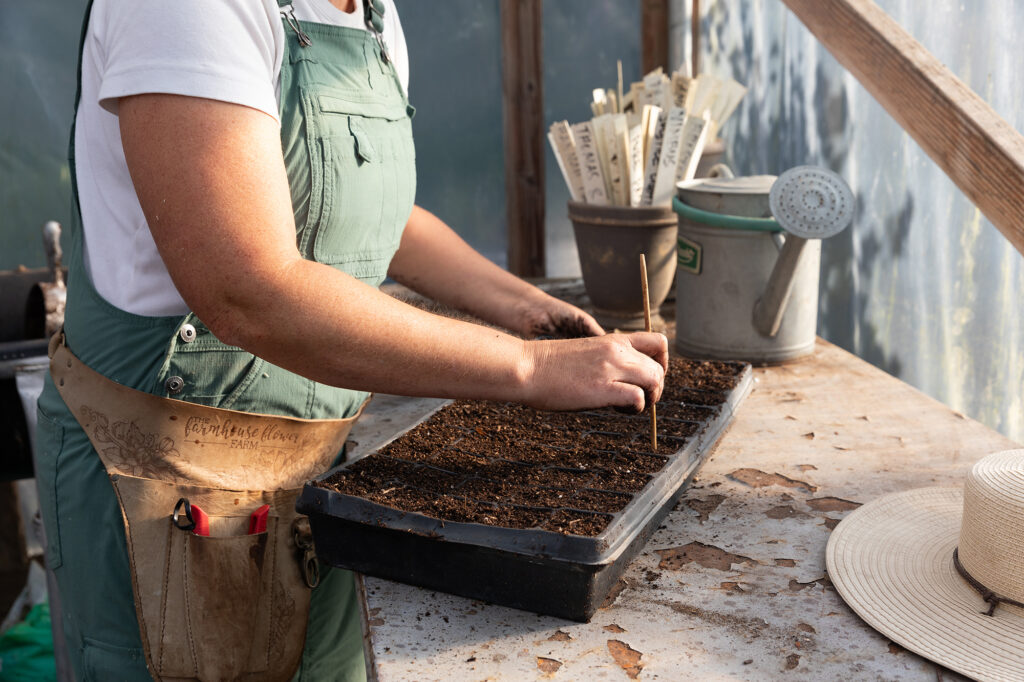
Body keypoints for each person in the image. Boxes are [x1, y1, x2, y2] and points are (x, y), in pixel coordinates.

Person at [35, 0, 667, 680]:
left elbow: (372, 213)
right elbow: (248, 290)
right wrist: (526, 367)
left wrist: (538, 315)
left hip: (313, 476)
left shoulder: (368, 14)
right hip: (165, 495)